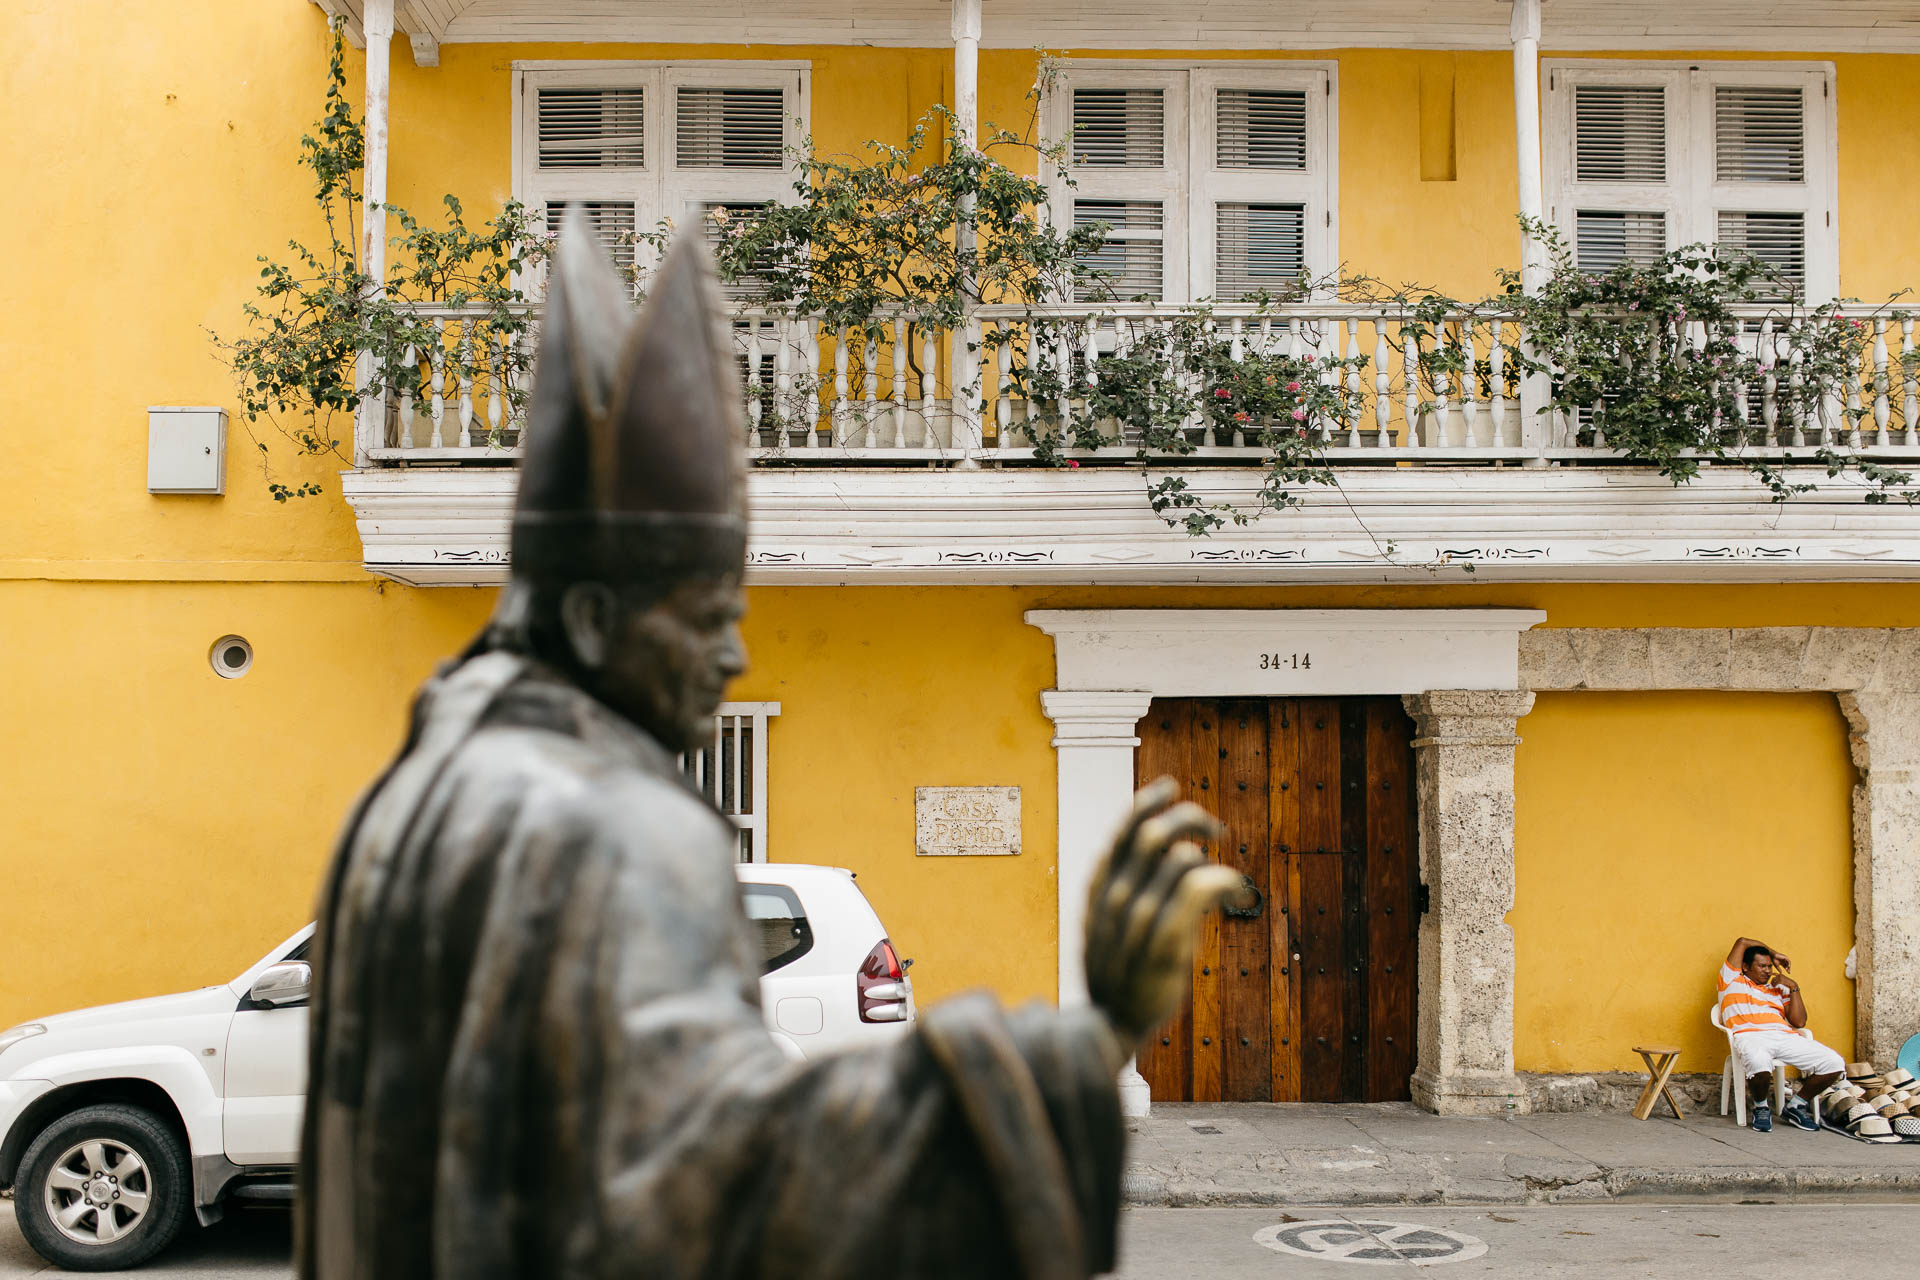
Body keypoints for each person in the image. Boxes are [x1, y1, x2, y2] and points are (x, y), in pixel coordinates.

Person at [294, 220, 1246, 1280]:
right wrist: (1087, 1041)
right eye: (706, 616)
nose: (734, 652)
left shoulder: (413, 796)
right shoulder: (618, 828)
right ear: (600, 617)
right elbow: (736, 1177)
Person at [1717, 937, 1844, 1132]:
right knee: (1758, 1061)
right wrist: (1775, 953)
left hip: (1784, 1036)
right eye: (1762, 966)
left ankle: (1796, 1106)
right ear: (1745, 967)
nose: (1768, 970)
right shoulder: (1731, 980)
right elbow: (1742, 941)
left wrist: (1793, 987)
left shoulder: (1778, 988)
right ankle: (1760, 1107)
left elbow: (1799, 1022)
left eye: (1769, 966)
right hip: (1750, 1035)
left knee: (1834, 1062)